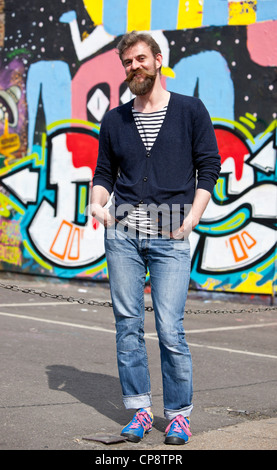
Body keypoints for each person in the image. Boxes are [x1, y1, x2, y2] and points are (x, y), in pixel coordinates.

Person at [91, 31, 221, 445]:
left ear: (158, 60)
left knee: (169, 329)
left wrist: (191, 222)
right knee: (127, 326)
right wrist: (97, 205)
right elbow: (104, 174)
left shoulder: (189, 110)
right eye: (127, 62)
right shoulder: (115, 119)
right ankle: (140, 411)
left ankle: (179, 415)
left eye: (140, 59)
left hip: (171, 237)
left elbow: (209, 167)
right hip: (123, 237)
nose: (134, 67)